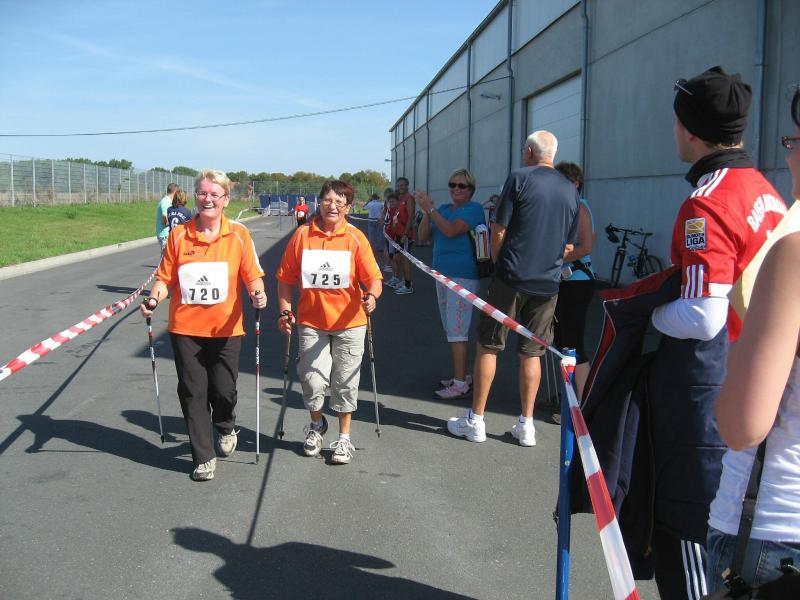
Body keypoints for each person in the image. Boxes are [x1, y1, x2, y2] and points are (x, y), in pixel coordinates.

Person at [646, 66, 788, 599]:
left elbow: (703, 315)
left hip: (712, 385)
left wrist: (647, 314)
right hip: (764, 380)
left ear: (689, 130)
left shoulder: (707, 201)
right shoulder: (768, 192)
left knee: (691, 524)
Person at [704, 87, 800, 595]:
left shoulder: (793, 253)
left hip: (777, 526)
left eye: (794, 141)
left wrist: (741, 351)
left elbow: (741, 426)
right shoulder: (769, 203)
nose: (789, 156)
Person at [447, 131, 579, 447]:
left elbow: (499, 229)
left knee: (489, 345)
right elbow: (569, 245)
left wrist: (497, 262)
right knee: (532, 352)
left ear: (530, 152)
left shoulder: (519, 178)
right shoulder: (569, 188)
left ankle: (476, 420)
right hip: (548, 283)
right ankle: (526, 424)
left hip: (511, 276)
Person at [140, 170, 266, 482]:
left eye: (214, 194)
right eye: (202, 193)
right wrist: (154, 299)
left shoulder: (239, 234)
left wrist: (257, 293)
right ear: (195, 196)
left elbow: (252, 275)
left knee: (224, 390)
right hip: (186, 328)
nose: (207, 199)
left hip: (226, 329)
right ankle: (203, 456)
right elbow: (165, 278)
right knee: (192, 391)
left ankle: (225, 424)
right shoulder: (179, 236)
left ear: (226, 200)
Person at [276, 180, 382, 465]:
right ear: (319, 202)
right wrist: (285, 310)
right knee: (311, 380)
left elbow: (374, 278)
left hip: (350, 323)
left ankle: (344, 438)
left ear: (348, 207)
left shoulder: (355, 238)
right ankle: (316, 424)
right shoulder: (302, 236)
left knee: (345, 382)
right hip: (312, 321)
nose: (332, 206)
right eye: (328, 200)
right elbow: (285, 278)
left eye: (340, 202)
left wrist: (372, 296)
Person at [416, 168, 486, 399]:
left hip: (462, 277)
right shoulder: (445, 209)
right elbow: (422, 236)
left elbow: (452, 230)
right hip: (442, 276)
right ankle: (462, 375)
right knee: (452, 329)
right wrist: (427, 213)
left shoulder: (474, 209)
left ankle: (460, 383)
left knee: (457, 331)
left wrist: (431, 210)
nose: (456, 189)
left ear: (471, 189)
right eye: (452, 184)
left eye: (461, 185)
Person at [552, 162, 595, 417]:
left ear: (575, 184)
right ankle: (568, 398)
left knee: (573, 342)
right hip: (562, 281)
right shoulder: (563, 208)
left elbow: (586, 246)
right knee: (561, 341)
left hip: (577, 282)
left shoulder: (580, 207)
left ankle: (581, 401)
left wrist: (554, 258)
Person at [394, 177, 415, 294]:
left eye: (402, 185)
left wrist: (405, 234)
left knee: (405, 260)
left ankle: (408, 286)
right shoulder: (400, 198)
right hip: (398, 234)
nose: (400, 187)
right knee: (399, 259)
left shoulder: (409, 198)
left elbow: (411, 217)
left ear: (407, 186)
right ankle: (405, 280)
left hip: (405, 235)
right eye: (398, 185)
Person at [383, 193, 408, 290]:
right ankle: (395, 278)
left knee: (401, 259)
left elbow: (406, 222)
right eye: (390, 201)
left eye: (393, 201)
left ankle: (404, 280)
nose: (391, 203)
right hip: (391, 237)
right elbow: (388, 222)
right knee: (394, 258)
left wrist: (404, 234)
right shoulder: (390, 210)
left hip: (398, 237)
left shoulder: (400, 210)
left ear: (398, 201)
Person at [363, 193, 385, 269]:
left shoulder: (370, 203)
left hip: (371, 220)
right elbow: (384, 209)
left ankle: (371, 247)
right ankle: (380, 247)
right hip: (378, 219)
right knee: (379, 234)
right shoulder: (381, 203)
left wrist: (368, 201)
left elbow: (364, 208)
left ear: (372, 198)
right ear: (378, 198)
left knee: (371, 234)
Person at [155, 183, 179, 252]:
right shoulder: (166, 201)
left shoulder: (168, 201)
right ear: (175, 192)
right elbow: (164, 216)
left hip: (166, 234)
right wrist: (171, 222)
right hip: (165, 234)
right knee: (165, 256)